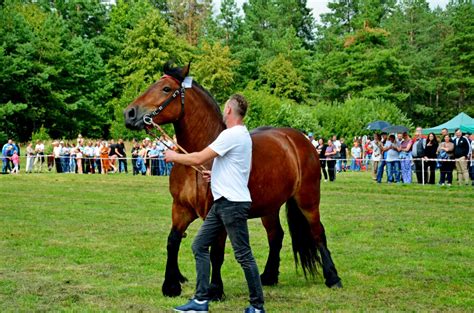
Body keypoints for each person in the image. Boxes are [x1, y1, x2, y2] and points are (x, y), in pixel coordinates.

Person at [164, 94, 265, 313]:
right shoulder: (241, 135)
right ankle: (201, 301)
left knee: (244, 256)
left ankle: (257, 306)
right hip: (222, 204)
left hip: (233, 205)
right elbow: (233, 166)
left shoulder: (231, 135)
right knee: (199, 245)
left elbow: (198, 158)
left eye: (224, 107)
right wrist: (215, 175)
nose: (222, 110)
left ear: (229, 110)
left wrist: (174, 156)